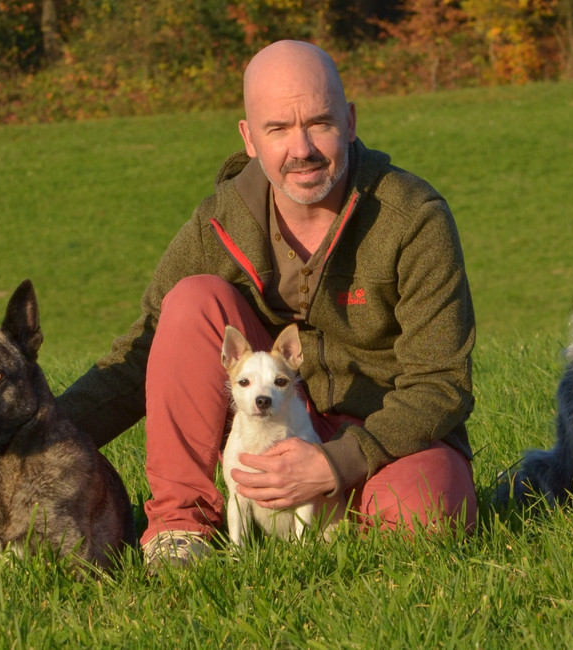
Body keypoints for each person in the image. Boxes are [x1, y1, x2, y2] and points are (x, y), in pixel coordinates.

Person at [55, 40, 477, 569]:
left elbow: (441, 382)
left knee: (424, 516)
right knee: (192, 302)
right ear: (249, 137)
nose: (301, 148)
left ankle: (347, 525)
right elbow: (144, 352)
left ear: (349, 121)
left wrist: (337, 463)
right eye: (278, 129)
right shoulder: (216, 224)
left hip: (382, 434)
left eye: (319, 123)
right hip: (263, 421)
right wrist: (38, 434)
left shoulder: (413, 218)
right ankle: (181, 528)